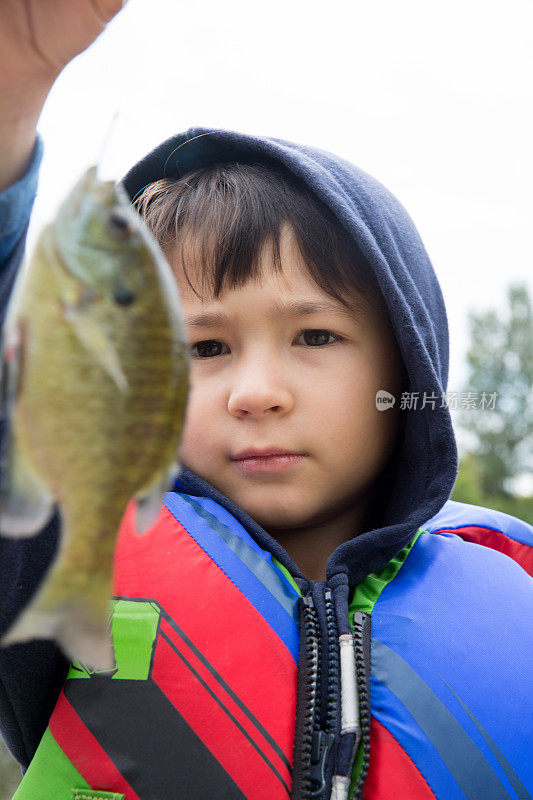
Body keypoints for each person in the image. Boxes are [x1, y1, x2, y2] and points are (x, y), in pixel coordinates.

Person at [1, 3, 532, 799]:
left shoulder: (514, 596)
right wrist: (13, 90)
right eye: (203, 349)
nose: (255, 394)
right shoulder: (55, 550)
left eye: (315, 337)